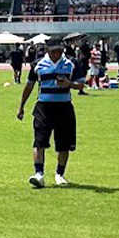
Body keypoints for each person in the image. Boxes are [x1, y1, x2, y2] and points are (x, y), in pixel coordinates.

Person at [16, 39, 82, 188]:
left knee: (64, 143)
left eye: (59, 51)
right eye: (53, 51)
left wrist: (69, 84)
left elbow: (81, 84)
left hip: (64, 106)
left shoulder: (71, 63)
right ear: (47, 50)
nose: (57, 54)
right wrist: (21, 106)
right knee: (40, 140)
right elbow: (29, 85)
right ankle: (39, 174)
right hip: (43, 107)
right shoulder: (37, 65)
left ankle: (60, 174)